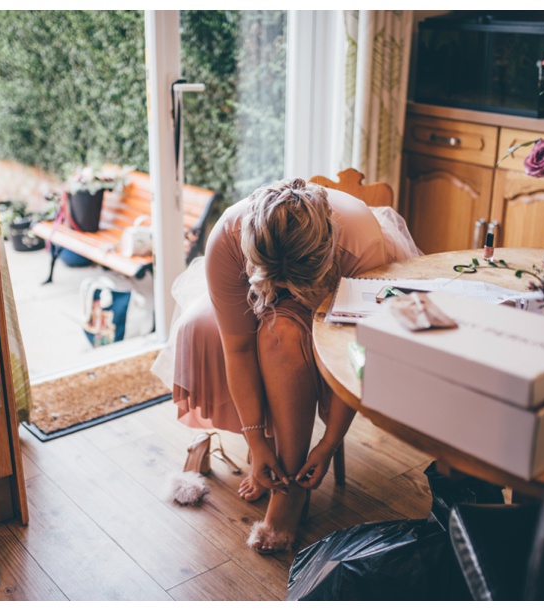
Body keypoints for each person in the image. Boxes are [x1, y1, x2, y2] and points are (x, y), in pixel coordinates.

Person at [151, 177, 421, 553]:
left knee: (281, 333)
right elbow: (238, 348)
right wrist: (256, 441)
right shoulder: (227, 237)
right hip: (256, 274)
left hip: (343, 281)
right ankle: (271, 460)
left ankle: (290, 491)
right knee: (208, 326)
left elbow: (353, 355)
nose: (284, 291)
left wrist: (328, 443)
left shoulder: (361, 248)